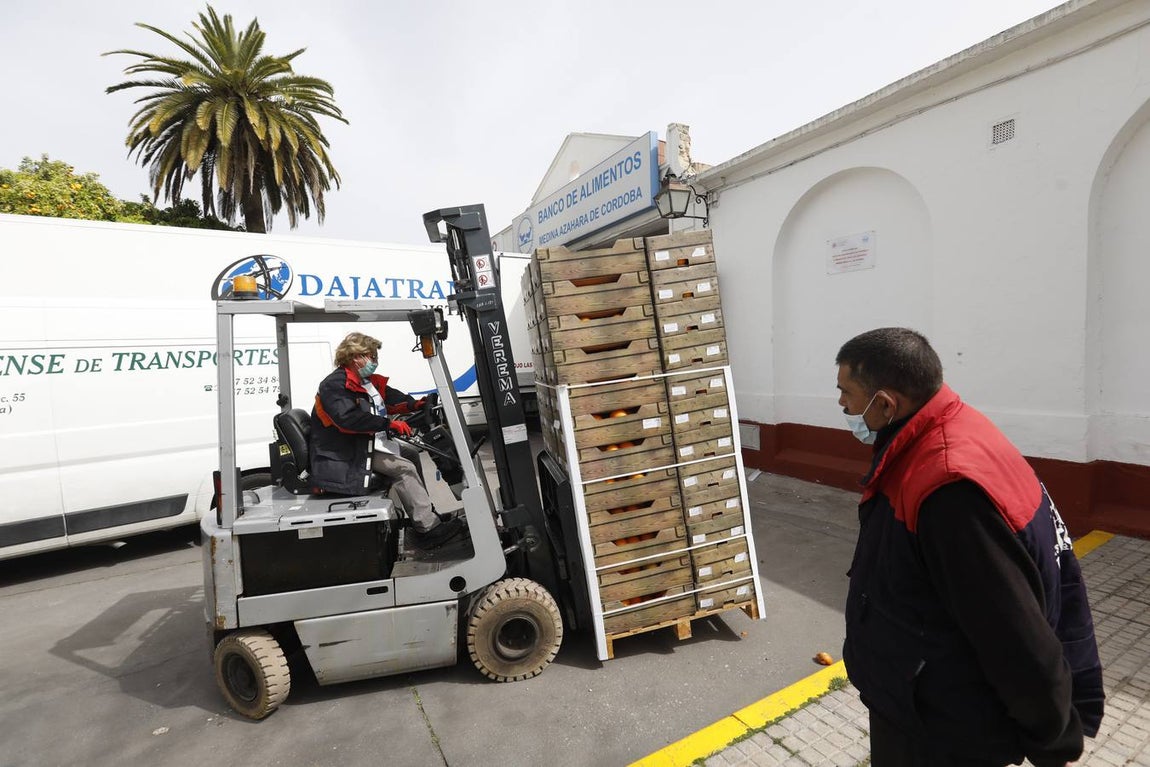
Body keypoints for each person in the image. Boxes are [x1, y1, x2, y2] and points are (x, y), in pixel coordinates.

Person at [835, 327, 1104, 767]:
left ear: (885, 403)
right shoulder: (949, 426)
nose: (843, 406)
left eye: (847, 393)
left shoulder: (949, 491)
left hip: (941, 726)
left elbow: (1014, 635)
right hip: (916, 698)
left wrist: (1053, 738)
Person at [309, 332, 464, 549]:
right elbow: (347, 419)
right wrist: (388, 424)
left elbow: (389, 399)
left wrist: (414, 405)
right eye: (370, 356)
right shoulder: (334, 385)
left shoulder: (366, 382)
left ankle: (424, 513)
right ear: (355, 356)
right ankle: (428, 529)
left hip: (366, 443)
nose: (374, 361)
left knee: (410, 453)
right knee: (404, 468)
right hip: (345, 452)